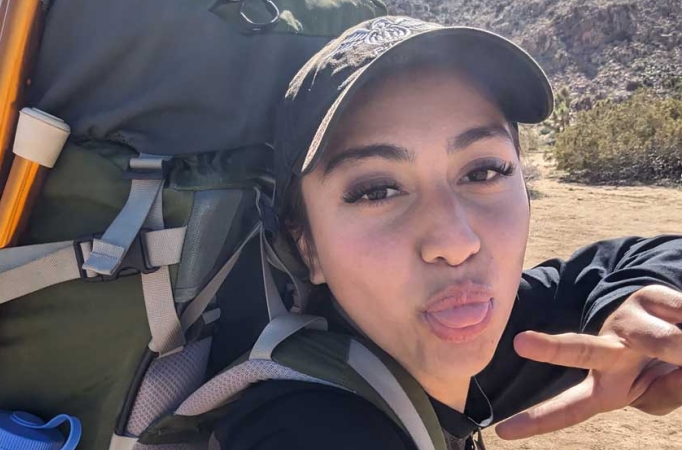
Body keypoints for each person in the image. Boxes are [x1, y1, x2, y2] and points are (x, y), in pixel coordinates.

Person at [211, 16, 682, 450]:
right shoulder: (300, 428)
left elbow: (658, 254)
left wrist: (627, 305)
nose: (456, 243)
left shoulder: (466, 332)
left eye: (483, 171)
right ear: (306, 245)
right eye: (376, 190)